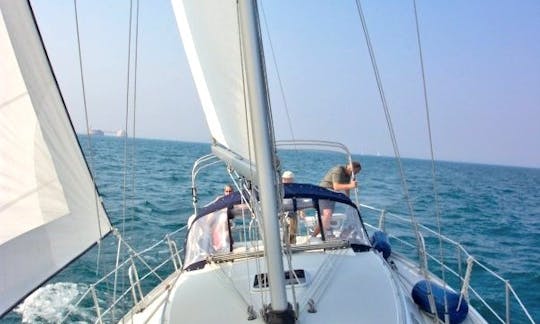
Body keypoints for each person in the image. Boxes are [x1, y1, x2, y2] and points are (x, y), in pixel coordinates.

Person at [313, 161, 361, 238]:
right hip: (323, 192)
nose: (356, 174)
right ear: (351, 167)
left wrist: (348, 200)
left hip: (332, 195)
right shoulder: (338, 170)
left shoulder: (349, 175)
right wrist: (351, 185)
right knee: (327, 215)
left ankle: (315, 235)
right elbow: (336, 186)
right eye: (356, 171)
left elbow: (346, 188)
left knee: (326, 217)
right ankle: (325, 235)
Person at [281, 170, 297, 244]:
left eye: (288, 179)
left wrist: (301, 211)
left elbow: (299, 200)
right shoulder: (279, 188)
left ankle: (292, 244)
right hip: (283, 211)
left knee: (293, 230)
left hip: (292, 211)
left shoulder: (294, 189)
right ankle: (286, 244)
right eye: (285, 179)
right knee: (285, 229)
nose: (286, 181)